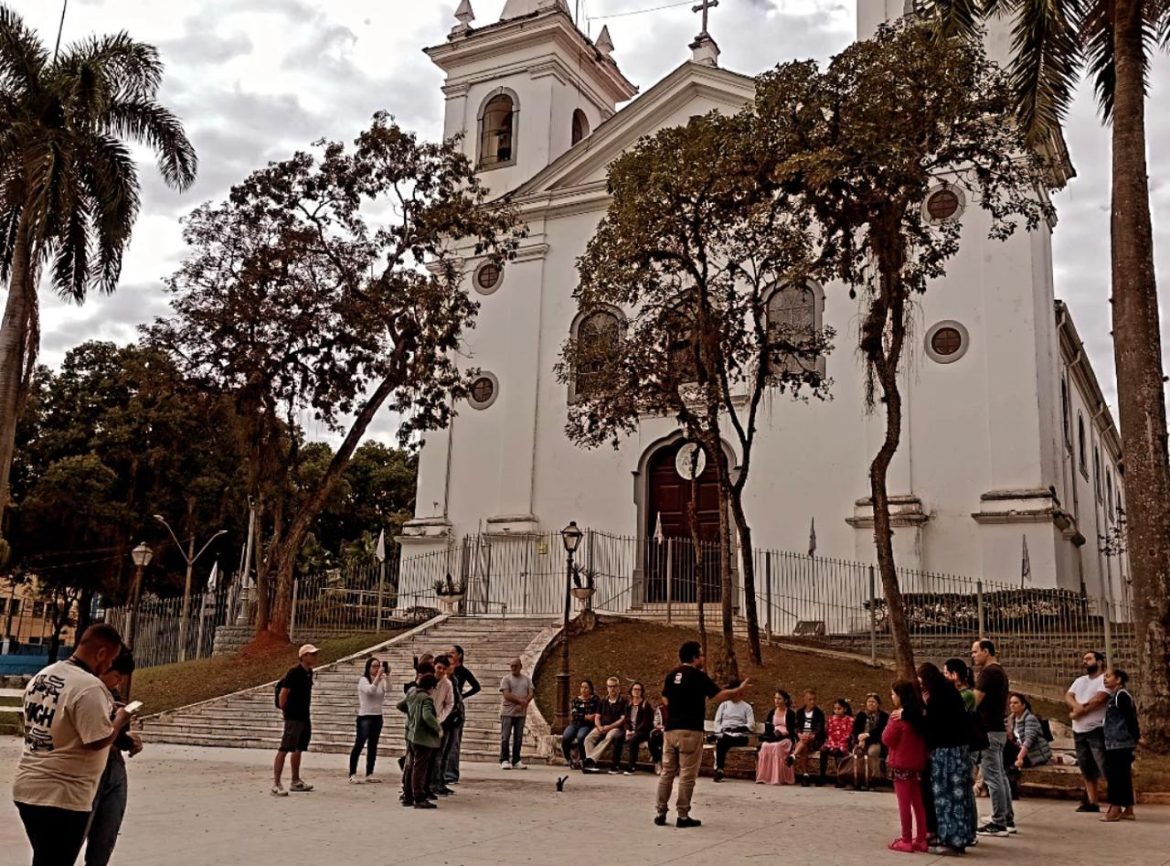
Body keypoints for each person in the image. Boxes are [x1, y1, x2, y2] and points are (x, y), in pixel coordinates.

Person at [13, 623, 132, 866]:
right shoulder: (89, 687)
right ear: (101, 654)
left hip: (28, 788)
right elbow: (97, 740)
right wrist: (121, 719)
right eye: (111, 660)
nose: (109, 666)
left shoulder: (43, 676)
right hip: (63, 795)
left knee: (46, 859)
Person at [654, 640, 750, 829]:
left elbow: (665, 698)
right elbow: (718, 695)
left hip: (671, 730)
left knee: (667, 772)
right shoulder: (698, 676)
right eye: (701, 655)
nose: (704, 658)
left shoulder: (672, 675)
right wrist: (738, 690)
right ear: (694, 657)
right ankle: (682, 815)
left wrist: (676, 706)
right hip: (691, 730)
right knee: (687, 775)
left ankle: (660, 811)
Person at [85, 647, 142, 866]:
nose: (118, 683)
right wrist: (119, 721)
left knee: (105, 838)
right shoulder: (85, 692)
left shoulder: (113, 695)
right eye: (117, 676)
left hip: (114, 767)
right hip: (88, 770)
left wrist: (129, 739)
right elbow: (97, 736)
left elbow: (117, 736)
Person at [917, 662, 977, 856]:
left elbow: (933, 725)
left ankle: (950, 840)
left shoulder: (938, 698)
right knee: (960, 796)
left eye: (922, 683)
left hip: (946, 753)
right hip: (959, 751)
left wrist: (925, 708)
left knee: (947, 797)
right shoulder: (950, 693)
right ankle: (961, 837)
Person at [971, 639, 1012, 837]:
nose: (973, 656)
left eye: (975, 651)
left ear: (986, 651)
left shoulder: (988, 673)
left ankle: (999, 822)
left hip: (989, 730)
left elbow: (974, 701)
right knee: (1000, 775)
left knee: (992, 777)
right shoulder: (1000, 672)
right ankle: (1006, 817)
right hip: (997, 730)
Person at [883, 680, 929, 854]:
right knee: (917, 801)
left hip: (901, 763)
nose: (892, 697)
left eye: (893, 694)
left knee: (904, 803)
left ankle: (906, 839)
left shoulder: (897, 717)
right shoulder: (919, 715)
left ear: (900, 696)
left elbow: (887, 738)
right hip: (916, 763)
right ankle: (922, 838)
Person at [1066, 650, 1109, 813]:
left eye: (1089, 659)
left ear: (1099, 662)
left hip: (1096, 730)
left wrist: (1080, 711)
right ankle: (1092, 802)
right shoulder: (1080, 681)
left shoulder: (1104, 680)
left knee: (1105, 767)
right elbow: (1068, 696)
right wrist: (1077, 708)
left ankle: (1116, 801)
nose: (1085, 661)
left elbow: (1099, 699)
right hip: (1079, 730)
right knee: (1086, 768)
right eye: (1084, 659)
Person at [273, 644, 318, 797]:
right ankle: (276, 783)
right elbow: (283, 694)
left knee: (299, 748)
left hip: (304, 716)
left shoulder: (309, 672)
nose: (315, 657)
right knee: (285, 748)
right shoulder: (294, 672)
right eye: (312, 654)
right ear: (303, 656)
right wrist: (286, 712)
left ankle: (295, 780)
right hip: (293, 716)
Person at [397, 672, 442, 810]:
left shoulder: (412, 694)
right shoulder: (426, 699)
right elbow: (427, 716)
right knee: (420, 767)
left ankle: (407, 795)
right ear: (431, 687)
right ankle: (419, 797)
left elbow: (400, 705)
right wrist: (437, 728)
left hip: (411, 735)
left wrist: (411, 714)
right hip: (422, 738)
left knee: (410, 765)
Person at [1101, 668, 1139, 823]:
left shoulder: (1121, 696)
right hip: (1116, 743)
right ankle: (1128, 809)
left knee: (1116, 777)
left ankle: (1115, 808)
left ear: (1118, 680)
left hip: (1120, 743)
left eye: (1108, 676)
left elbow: (1130, 718)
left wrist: (1136, 737)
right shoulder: (1115, 696)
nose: (1105, 679)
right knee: (1123, 776)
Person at [444, 644, 480, 785]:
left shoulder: (463, 671)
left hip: (456, 708)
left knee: (454, 742)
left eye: (452, 653)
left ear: (459, 655)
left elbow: (476, 687)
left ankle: (451, 774)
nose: (450, 655)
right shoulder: (445, 669)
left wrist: (462, 696)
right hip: (444, 705)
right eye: (448, 653)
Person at [712, 679, 755, 782]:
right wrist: (720, 730)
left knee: (721, 742)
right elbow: (717, 722)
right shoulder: (724, 705)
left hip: (740, 736)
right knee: (722, 741)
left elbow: (751, 724)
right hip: (725, 734)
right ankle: (720, 769)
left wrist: (740, 728)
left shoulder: (746, 707)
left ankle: (719, 768)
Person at [584, 676, 629, 773]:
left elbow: (622, 720)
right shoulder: (603, 701)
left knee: (609, 737)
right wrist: (599, 726)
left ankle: (590, 760)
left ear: (618, 688)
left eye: (614, 686)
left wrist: (609, 727)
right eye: (610, 686)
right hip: (602, 726)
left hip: (616, 728)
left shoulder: (623, 701)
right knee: (588, 738)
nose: (612, 689)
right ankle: (591, 765)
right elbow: (597, 717)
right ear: (607, 688)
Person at [845, 693, 888, 791]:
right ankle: (858, 779)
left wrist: (867, 736)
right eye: (869, 701)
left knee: (872, 752)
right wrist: (860, 739)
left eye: (873, 702)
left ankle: (872, 780)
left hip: (876, 741)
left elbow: (880, 731)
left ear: (878, 704)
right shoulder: (861, 715)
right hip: (862, 741)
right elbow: (856, 730)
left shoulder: (884, 716)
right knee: (858, 752)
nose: (871, 704)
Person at [1005, 692, 1052, 780]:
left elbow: (1029, 740)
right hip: (1021, 751)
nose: (1012, 705)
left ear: (1023, 705)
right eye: (1010, 703)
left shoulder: (1030, 718)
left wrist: (1020, 758)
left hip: (1033, 755)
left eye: (1015, 703)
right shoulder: (1012, 719)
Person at [428, 654, 456, 797]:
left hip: (438, 722)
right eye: (439, 668)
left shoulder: (447, 684)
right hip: (423, 721)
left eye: (444, 669)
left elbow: (450, 703)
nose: (441, 671)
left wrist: (439, 719)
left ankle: (434, 784)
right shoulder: (427, 679)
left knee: (437, 755)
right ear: (434, 666)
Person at [756, 689, 797, 786]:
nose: (776, 701)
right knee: (765, 746)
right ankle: (765, 777)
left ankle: (777, 777)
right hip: (773, 737)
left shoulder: (790, 713)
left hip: (786, 738)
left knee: (777, 747)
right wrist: (772, 732)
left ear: (785, 700)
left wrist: (783, 733)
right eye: (775, 698)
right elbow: (768, 727)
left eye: (779, 699)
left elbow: (792, 731)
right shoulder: (772, 712)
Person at [499, 657, 534, 770]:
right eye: (512, 666)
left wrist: (524, 703)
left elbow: (531, 693)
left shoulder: (527, 679)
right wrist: (520, 701)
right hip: (507, 712)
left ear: (520, 666)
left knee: (518, 737)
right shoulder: (506, 679)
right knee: (505, 736)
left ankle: (516, 760)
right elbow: (506, 694)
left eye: (515, 666)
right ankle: (504, 759)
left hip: (521, 712)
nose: (513, 668)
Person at [789, 689, 826, 787]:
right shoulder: (800, 712)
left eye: (814, 699)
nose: (812, 702)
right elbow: (796, 726)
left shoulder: (819, 713)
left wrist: (812, 735)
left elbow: (819, 728)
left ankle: (793, 756)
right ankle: (805, 775)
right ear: (805, 700)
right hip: (803, 739)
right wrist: (799, 734)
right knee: (804, 746)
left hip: (815, 740)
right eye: (810, 700)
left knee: (804, 743)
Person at [562, 680, 599, 768]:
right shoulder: (576, 700)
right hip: (575, 724)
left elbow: (599, 711)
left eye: (586, 688)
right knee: (566, 737)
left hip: (587, 725)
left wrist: (593, 716)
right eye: (582, 687)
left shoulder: (595, 699)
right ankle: (569, 759)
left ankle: (583, 759)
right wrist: (585, 717)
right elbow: (574, 714)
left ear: (590, 689)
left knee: (581, 737)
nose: (583, 689)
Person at [622, 682, 656, 775]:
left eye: (639, 689)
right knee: (618, 737)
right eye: (635, 689)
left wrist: (634, 732)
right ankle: (615, 765)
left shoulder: (645, 704)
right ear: (631, 691)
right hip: (631, 730)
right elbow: (626, 720)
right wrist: (627, 730)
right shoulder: (629, 704)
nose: (636, 691)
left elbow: (646, 722)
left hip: (643, 731)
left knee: (634, 740)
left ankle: (631, 767)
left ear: (642, 691)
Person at [821, 698, 854, 787]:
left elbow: (848, 734)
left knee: (837, 752)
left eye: (839, 708)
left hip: (843, 743)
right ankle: (822, 776)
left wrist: (838, 744)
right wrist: (832, 743)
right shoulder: (831, 719)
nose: (836, 711)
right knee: (823, 750)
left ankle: (840, 778)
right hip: (831, 742)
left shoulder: (849, 720)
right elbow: (829, 733)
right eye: (835, 708)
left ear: (845, 709)